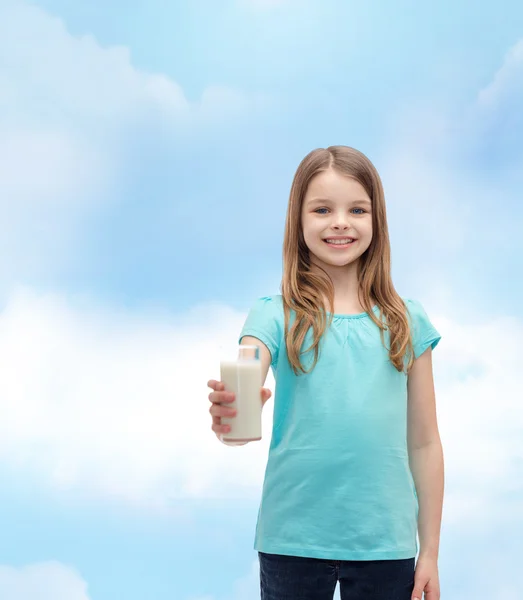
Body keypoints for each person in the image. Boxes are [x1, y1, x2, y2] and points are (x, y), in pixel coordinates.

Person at [207, 145, 443, 600]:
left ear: (377, 221)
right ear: (299, 220)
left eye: (357, 209)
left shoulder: (407, 322)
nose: (340, 222)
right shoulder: (271, 316)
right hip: (291, 541)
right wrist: (235, 413)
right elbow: (247, 376)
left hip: (386, 545)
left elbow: (425, 441)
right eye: (322, 209)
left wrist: (429, 551)